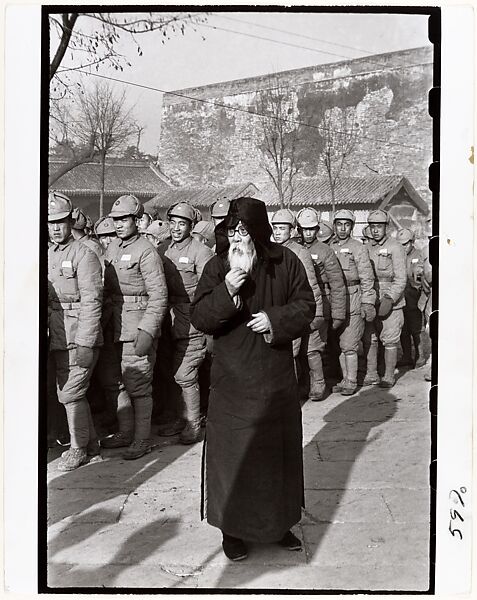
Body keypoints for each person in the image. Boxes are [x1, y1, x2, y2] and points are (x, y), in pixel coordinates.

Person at [190, 197, 316, 561]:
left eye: (244, 231)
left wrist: (274, 320)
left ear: (259, 233)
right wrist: (227, 290)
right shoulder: (217, 267)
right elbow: (199, 317)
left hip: (275, 376)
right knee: (234, 456)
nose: (238, 238)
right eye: (233, 231)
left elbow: (306, 305)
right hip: (232, 379)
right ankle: (233, 532)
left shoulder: (285, 261)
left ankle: (279, 525)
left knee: (276, 453)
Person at [102, 194, 168, 459]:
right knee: (115, 382)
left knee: (138, 384)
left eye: (125, 219)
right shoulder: (112, 249)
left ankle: (142, 439)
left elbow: (159, 295)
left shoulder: (146, 251)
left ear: (137, 220)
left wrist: (148, 330)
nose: (119, 225)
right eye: (116, 220)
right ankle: (126, 431)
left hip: (136, 327)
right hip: (114, 325)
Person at [47, 191, 103, 471]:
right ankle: (91, 446)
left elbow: (93, 302)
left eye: (60, 221)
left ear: (70, 221)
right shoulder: (47, 254)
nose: (55, 228)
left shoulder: (85, 254)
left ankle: (78, 448)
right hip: (58, 336)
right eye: (50, 222)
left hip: (79, 335)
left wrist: (85, 342)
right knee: (70, 393)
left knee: (70, 393)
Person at [158, 201, 214, 443]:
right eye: (173, 223)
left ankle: (194, 422)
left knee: (185, 373)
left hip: (192, 318)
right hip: (168, 318)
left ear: (191, 226)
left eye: (182, 224)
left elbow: (209, 288)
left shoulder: (201, 252)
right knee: (171, 371)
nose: (176, 228)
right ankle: (182, 416)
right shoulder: (163, 250)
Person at [270, 208, 324, 401]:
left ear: (292, 231)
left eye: (282, 228)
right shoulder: (269, 250)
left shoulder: (300, 253)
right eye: (275, 227)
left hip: (296, 308)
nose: (277, 232)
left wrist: (317, 314)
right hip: (277, 309)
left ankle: (312, 386)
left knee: (303, 350)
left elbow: (312, 285)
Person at [296, 207, 346, 385]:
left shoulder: (325, 251)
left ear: (317, 230)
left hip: (322, 302)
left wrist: (338, 313)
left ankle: (319, 384)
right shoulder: (295, 248)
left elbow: (337, 284)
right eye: (304, 229)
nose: (308, 233)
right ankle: (304, 383)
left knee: (314, 346)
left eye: (311, 229)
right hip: (300, 303)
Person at [329, 210, 376, 395]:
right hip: (335, 298)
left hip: (353, 296)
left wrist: (368, 302)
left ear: (352, 227)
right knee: (341, 342)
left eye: (346, 224)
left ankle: (351, 380)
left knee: (349, 343)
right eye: (339, 224)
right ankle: (344, 377)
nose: (342, 228)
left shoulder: (358, 248)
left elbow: (367, 277)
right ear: (334, 226)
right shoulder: (330, 247)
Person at [363, 210, 407, 388]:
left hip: (391, 302)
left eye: (379, 227)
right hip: (371, 299)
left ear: (386, 228)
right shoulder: (365, 248)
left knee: (389, 339)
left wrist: (390, 298)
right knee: (371, 338)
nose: (375, 231)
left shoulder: (396, 247)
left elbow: (401, 278)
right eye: (372, 227)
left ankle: (389, 375)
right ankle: (372, 373)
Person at [396, 228, 425, 367]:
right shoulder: (396, 256)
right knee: (404, 329)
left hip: (415, 298)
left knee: (416, 329)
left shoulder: (419, 255)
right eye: (400, 244)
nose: (403, 247)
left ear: (412, 242)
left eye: (406, 244)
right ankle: (406, 356)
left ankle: (420, 356)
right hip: (401, 299)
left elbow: (422, 278)